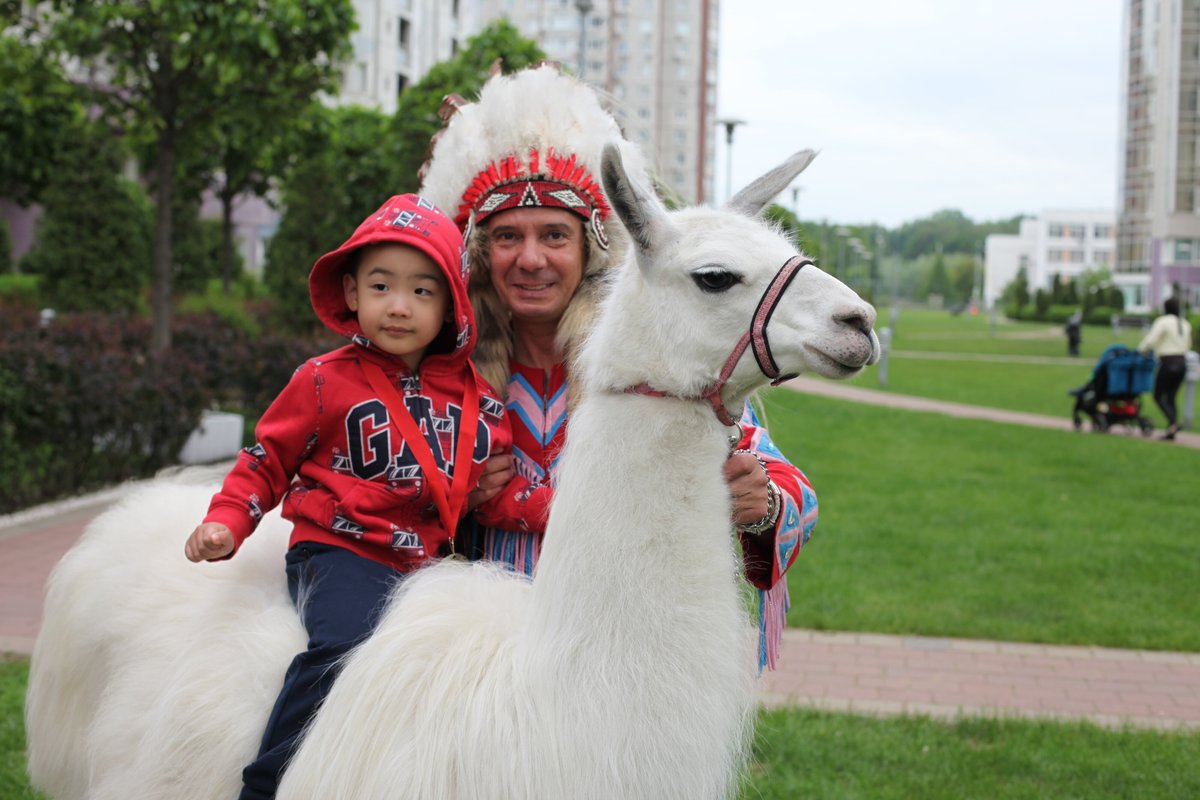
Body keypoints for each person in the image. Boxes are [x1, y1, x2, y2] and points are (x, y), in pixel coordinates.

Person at [418, 65, 818, 669]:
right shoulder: (438, 373)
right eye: (507, 237)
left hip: (621, 656)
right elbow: (361, 501)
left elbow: (792, 491)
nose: (531, 259)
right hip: (472, 663)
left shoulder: (659, 368)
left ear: (590, 246)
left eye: (554, 235)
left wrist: (760, 499)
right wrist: (447, 499)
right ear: (479, 251)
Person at [184, 194, 512, 800]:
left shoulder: (479, 401)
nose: (399, 305)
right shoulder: (321, 380)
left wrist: (543, 505)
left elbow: (498, 485)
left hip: (427, 564)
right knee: (345, 646)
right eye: (381, 286)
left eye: (422, 291)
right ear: (352, 293)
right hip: (341, 549)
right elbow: (265, 460)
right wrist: (228, 520)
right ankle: (266, 783)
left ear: (451, 306)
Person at [1138, 295, 1193, 440]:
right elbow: (1188, 345)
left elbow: (1151, 339)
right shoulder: (1185, 323)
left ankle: (1173, 422)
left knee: (1157, 395)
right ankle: (1171, 431)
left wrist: (1141, 350)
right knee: (1171, 397)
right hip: (1182, 364)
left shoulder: (1163, 321)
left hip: (1168, 363)